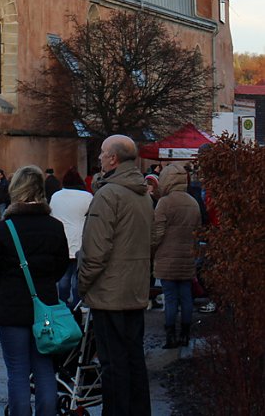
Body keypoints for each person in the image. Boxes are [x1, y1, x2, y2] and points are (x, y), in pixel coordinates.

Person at [0, 165, 69, 416]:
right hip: (46, 305)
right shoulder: (54, 226)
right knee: (44, 369)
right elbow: (61, 265)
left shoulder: (3, 229)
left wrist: (7, 282)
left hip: (11, 307)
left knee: (17, 371)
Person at [78, 135, 153, 416]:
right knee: (134, 360)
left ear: (113, 159)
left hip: (109, 292)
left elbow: (95, 251)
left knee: (113, 365)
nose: (98, 157)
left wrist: (82, 285)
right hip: (134, 289)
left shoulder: (108, 195)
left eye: (101, 153)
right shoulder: (142, 193)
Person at [152, 162, 202, 349]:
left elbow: (157, 232)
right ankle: (186, 334)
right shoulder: (192, 202)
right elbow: (198, 232)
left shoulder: (165, 202)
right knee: (186, 297)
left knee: (171, 298)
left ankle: (170, 335)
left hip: (167, 258)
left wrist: (152, 250)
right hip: (188, 256)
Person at [49, 167, 92, 308]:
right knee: (77, 276)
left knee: (63, 276)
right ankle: (76, 305)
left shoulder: (56, 196)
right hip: (81, 240)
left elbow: (52, 216)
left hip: (61, 240)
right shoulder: (87, 197)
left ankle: (62, 303)